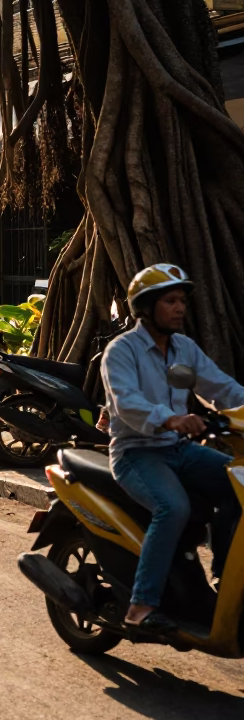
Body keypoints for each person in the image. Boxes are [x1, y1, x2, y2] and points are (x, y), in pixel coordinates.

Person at [100, 263, 244, 633]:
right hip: (135, 453)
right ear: (147, 307)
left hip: (178, 449)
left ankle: (226, 583)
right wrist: (171, 418)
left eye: (182, 301)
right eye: (171, 300)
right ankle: (141, 607)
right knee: (173, 507)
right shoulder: (122, 351)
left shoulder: (184, 349)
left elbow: (222, 388)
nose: (180, 308)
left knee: (237, 485)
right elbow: (126, 402)